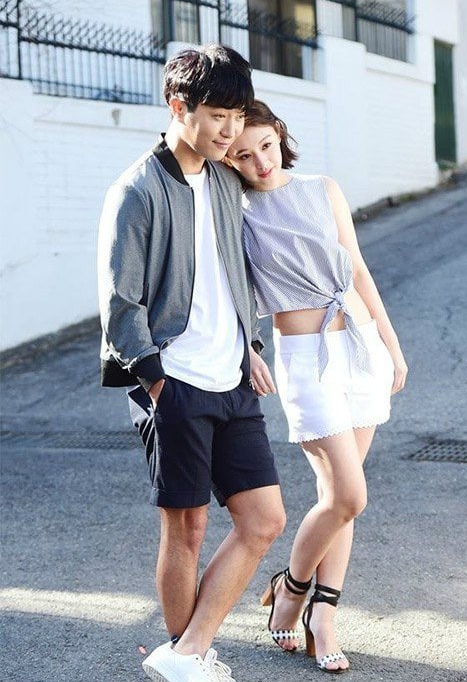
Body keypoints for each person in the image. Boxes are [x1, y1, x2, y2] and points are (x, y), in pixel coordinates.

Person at [97, 50, 285, 682]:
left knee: (263, 521)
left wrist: (249, 343)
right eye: (217, 115)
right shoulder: (138, 190)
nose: (230, 130)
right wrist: (156, 381)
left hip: (232, 378)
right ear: (178, 107)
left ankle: (184, 654)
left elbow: (233, 269)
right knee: (188, 529)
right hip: (173, 381)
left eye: (237, 114)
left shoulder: (225, 179)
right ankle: (189, 659)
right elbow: (120, 303)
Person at [224, 100, 408, 674]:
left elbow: (357, 268)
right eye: (243, 155)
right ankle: (292, 588)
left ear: (280, 136)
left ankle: (322, 616)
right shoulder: (235, 209)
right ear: (228, 159)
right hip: (305, 359)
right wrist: (249, 349)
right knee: (348, 496)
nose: (260, 163)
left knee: (340, 501)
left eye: (266, 147)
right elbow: (227, 289)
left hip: (358, 343)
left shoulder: (322, 189)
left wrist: (391, 343)